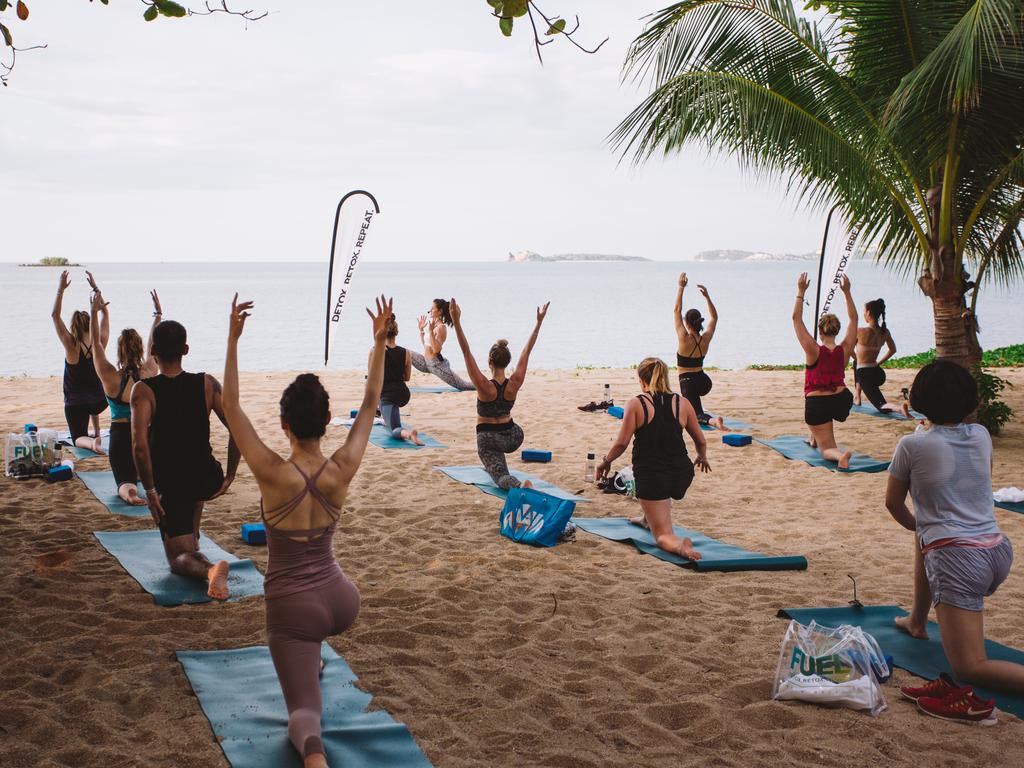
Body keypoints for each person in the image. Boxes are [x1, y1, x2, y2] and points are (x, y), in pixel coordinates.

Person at [222, 293, 391, 768]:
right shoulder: (343, 466)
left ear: (283, 424)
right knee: (306, 653)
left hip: (295, 611)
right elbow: (372, 399)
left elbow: (230, 405)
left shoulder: (273, 473)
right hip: (342, 600)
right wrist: (378, 344)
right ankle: (312, 659)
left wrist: (233, 339)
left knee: (303, 715)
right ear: (324, 422)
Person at [886, 360, 1020, 723]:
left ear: (919, 400)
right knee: (930, 535)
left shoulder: (910, 445)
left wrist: (919, 526)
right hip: (997, 550)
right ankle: (917, 620)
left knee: (971, 668)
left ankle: (920, 616)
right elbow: (970, 484)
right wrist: (927, 530)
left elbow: (893, 505)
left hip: (960, 562)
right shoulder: (980, 435)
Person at [130, 318, 239, 600]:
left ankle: (211, 570)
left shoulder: (143, 390)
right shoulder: (206, 383)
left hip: (173, 485)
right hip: (207, 478)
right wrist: (229, 475)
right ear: (186, 349)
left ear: (153, 351)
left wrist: (151, 491)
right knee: (191, 460)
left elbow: (139, 447)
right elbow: (237, 429)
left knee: (178, 560)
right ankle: (193, 531)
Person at [596, 357, 711, 560]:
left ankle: (679, 546)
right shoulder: (682, 403)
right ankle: (646, 519)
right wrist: (702, 458)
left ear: (642, 381)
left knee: (663, 535)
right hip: (682, 475)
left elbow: (622, 443)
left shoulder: (636, 403)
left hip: (654, 478)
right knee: (652, 482)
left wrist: (606, 461)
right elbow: (701, 441)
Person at [449, 297, 549, 490]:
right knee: (497, 457)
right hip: (513, 437)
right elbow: (526, 352)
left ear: (490, 362)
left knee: (501, 477)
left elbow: (466, 352)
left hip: (488, 439)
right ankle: (495, 462)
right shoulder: (515, 383)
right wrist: (538, 322)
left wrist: (456, 321)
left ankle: (521, 486)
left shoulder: (484, 386)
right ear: (507, 361)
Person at [88, 289, 162, 504]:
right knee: (150, 480)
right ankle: (144, 485)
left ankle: (129, 492)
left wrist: (95, 313)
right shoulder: (149, 371)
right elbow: (153, 346)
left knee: (126, 485)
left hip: (120, 437)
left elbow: (96, 345)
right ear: (140, 349)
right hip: (146, 437)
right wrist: (158, 315)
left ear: (119, 351)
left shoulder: (110, 376)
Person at [792, 273, 857, 469]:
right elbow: (854, 319)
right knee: (822, 425)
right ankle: (813, 436)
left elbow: (796, 319)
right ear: (836, 331)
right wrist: (847, 292)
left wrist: (801, 291)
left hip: (818, 403)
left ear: (820, 332)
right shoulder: (845, 349)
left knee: (827, 448)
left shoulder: (814, 350)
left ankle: (839, 456)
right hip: (841, 401)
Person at [52, 270, 109, 453]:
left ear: (74, 326)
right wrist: (95, 288)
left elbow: (55, 315)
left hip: (76, 404)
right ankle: (98, 431)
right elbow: (105, 316)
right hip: (100, 402)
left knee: (78, 437)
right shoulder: (100, 342)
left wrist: (60, 290)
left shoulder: (71, 345)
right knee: (92, 388)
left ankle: (92, 443)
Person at [675, 273, 725, 429]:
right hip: (704, 382)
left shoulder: (684, 337)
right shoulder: (706, 338)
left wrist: (681, 287)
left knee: (695, 415)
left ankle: (713, 421)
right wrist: (707, 297)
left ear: (686, 322)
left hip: (688, 383)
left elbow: (677, 310)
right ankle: (701, 411)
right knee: (693, 404)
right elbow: (714, 318)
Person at [373, 311, 423, 445]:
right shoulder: (406, 352)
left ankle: (409, 434)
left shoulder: (374, 351)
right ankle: (387, 415)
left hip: (388, 395)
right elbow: (407, 377)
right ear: (397, 332)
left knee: (394, 429)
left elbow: (373, 378)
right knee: (390, 412)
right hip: (403, 394)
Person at [854, 298, 906, 414]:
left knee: (881, 406)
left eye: (864, 311)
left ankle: (899, 408)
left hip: (865, 375)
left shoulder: (860, 331)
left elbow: (847, 350)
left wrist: (857, 358)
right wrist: (878, 363)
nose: (863, 314)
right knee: (856, 363)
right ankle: (857, 395)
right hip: (878, 374)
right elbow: (893, 350)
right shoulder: (884, 332)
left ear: (868, 312)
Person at [409, 298, 474, 390]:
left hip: (436, 365)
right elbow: (426, 346)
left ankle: (485, 384)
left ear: (440, 311)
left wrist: (431, 332)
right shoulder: (432, 326)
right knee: (405, 353)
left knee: (463, 385)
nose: (430, 310)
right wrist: (421, 330)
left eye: (432, 308)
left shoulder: (441, 328)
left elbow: (436, 350)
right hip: (425, 363)